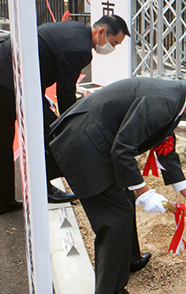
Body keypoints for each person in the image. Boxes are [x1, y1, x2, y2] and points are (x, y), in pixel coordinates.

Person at [48, 72, 186, 294]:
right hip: (86, 142)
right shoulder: (164, 101)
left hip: (98, 137)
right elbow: (122, 149)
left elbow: (166, 146)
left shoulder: (176, 96)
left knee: (124, 202)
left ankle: (128, 260)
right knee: (115, 218)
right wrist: (144, 192)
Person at [0, 15, 130, 214]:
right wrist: (72, 124)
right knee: (51, 134)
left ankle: (4, 199)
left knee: (4, 138)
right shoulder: (80, 49)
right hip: (14, 80)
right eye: (114, 43)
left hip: (9, 72)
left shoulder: (76, 29)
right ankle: (41, 189)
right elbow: (66, 91)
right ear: (101, 32)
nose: (113, 48)